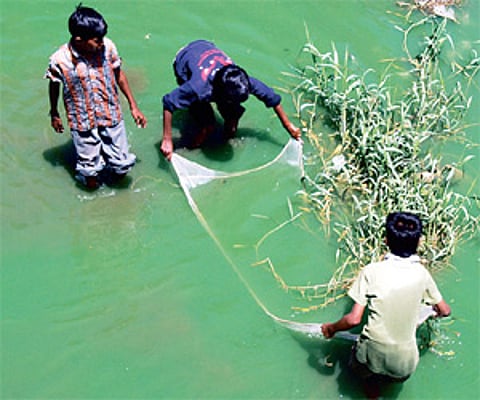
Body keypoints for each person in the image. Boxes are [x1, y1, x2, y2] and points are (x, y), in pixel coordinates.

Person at [321, 212, 451, 399]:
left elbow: (354, 319)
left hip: (369, 356)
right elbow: (445, 310)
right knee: (393, 381)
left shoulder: (371, 271)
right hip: (404, 365)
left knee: (364, 374)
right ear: (419, 242)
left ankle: (371, 390)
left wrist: (331, 329)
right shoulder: (422, 275)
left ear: (386, 241)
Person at [45, 5, 147, 189]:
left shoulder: (108, 47)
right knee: (90, 173)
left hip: (110, 113)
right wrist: (54, 113)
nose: (101, 43)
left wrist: (133, 106)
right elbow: (54, 85)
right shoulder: (60, 60)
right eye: (96, 40)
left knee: (122, 166)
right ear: (79, 39)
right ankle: (91, 184)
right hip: (82, 119)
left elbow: (119, 75)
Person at [160, 39, 301, 160]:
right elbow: (168, 102)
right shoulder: (197, 87)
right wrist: (167, 139)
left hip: (206, 46)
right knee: (207, 125)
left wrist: (288, 126)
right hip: (184, 60)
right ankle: (193, 147)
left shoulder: (242, 82)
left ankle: (224, 131)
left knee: (232, 120)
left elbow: (273, 100)